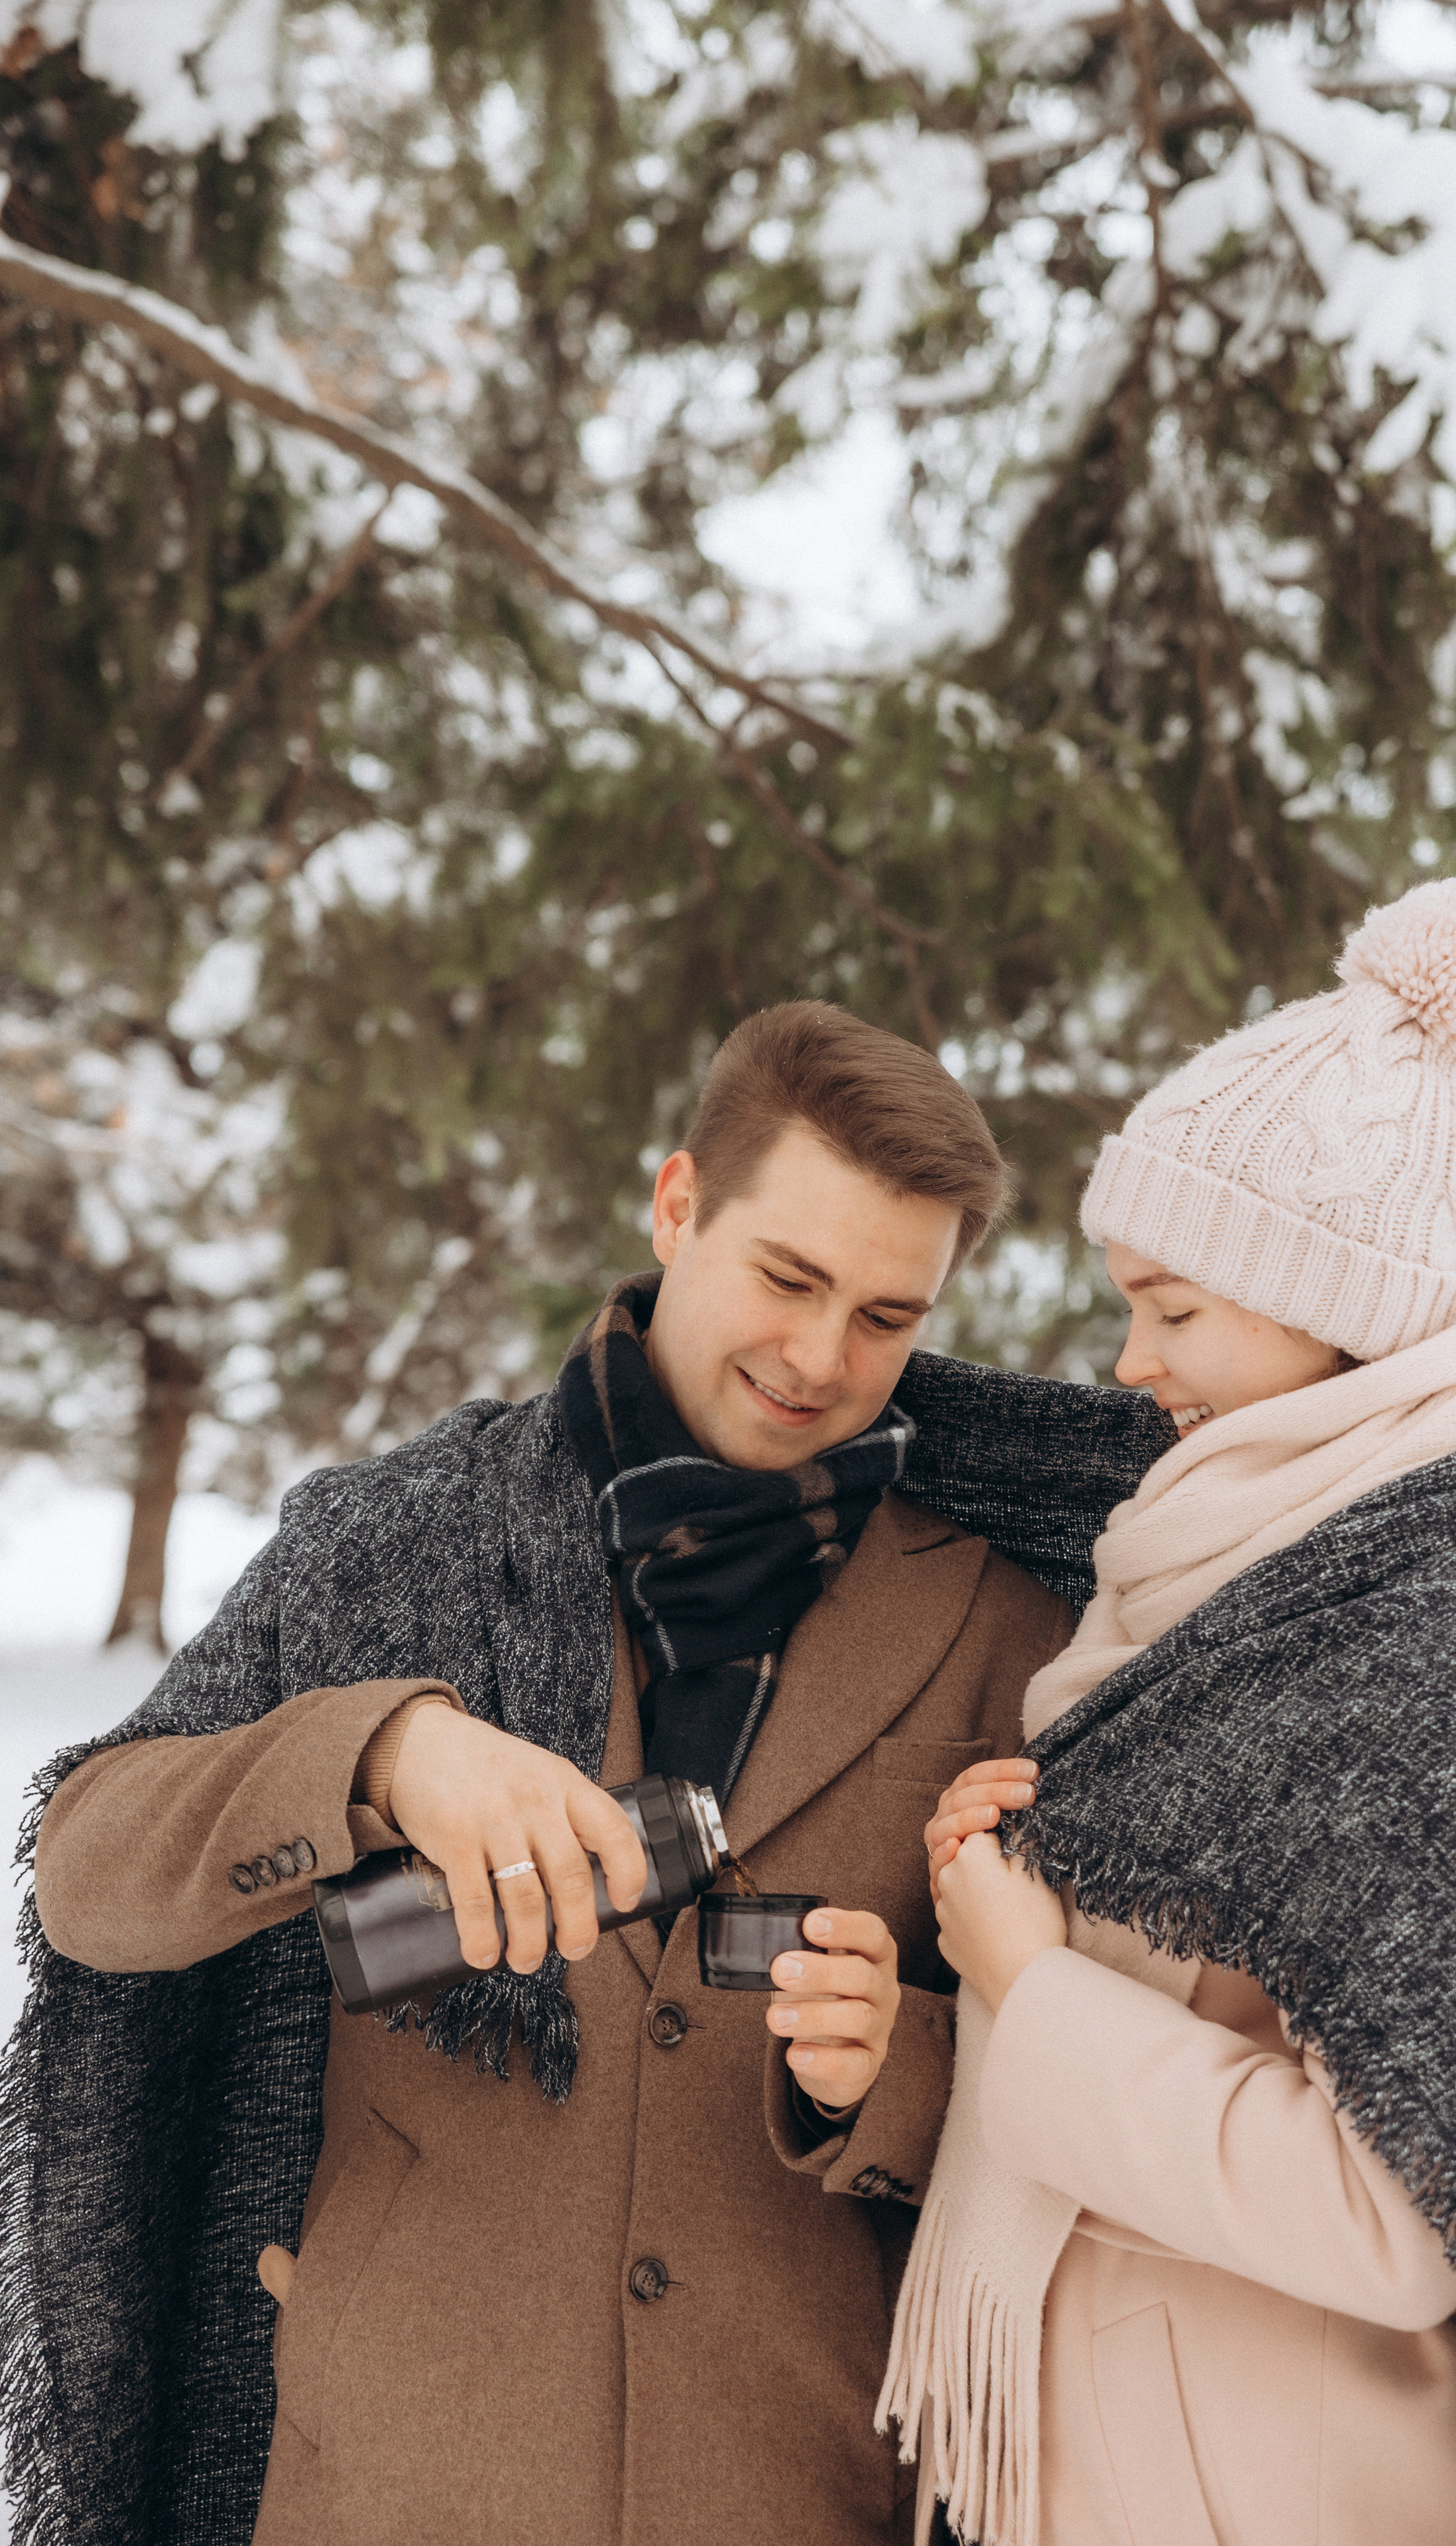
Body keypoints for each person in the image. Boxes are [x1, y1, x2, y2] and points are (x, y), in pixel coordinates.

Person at [4, 1002, 1172, 2546]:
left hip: (793, 2491)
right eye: (788, 1277)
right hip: (393, 2483)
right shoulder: (388, 1538)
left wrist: (897, 2065)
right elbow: (86, 1871)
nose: (822, 1359)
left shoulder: (1009, 1626)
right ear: (677, 1203)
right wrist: (384, 1749)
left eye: (887, 1317)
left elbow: (1104, 2083)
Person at [880, 881, 1456, 2546]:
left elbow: (1399, 2226)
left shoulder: (1441, 1642)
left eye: (1172, 1308)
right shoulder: (1219, 1552)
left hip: (1274, 2484)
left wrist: (1028, 1977)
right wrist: (1009, 1900)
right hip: (1098, 2450)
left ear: (1338, 1305)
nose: (1127, 1360)